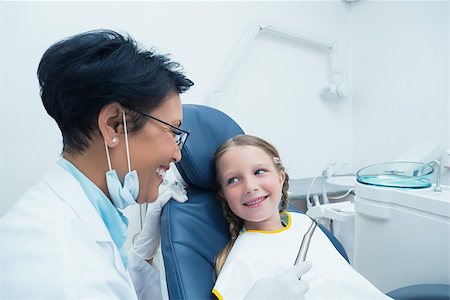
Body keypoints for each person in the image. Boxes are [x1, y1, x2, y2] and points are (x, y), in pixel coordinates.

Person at [0, 29, 319, 300]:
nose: (178, 153)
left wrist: (141, 254)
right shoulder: (57, 263)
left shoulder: (79, 222)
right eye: (171, 131)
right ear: (114, 125)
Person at [212, 134, 393, 300]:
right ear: (223, 195)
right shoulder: (241, 261)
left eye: (259, 172)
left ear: (280, 178)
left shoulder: (303, 224)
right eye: (233, 180)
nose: (250, 186)